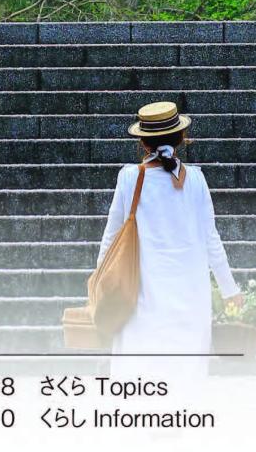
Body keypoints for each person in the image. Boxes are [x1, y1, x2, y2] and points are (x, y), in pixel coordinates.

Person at [96, 99, 241, 371]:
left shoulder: (129, 178)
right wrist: (229, 289)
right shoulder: (196, 179)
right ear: (181, 137)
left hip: (141, 297)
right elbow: (211, 240)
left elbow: (110, 238)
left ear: (143, 142)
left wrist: (99, 284)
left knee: (142, 376)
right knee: (185, 375)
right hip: (190, 298)